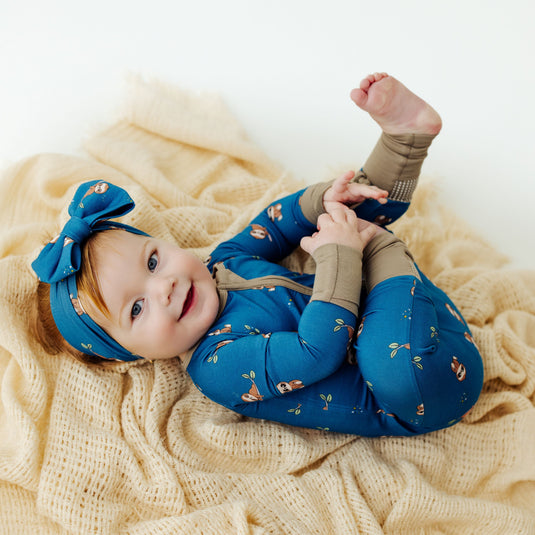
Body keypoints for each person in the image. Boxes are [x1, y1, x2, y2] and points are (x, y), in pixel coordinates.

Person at [31, 73, 484, 436]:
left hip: (415, 309)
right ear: (133, 355)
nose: (163, 287)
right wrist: (341, 256)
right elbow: (316, 351)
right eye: (136, 308)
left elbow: (275, 222)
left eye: (152, 261)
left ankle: (404, 138)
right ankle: (377, 246)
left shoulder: (222, 261)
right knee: (389, 358)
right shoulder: (216, 366)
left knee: (336, 209)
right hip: (417, 390)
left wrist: (320, 200)